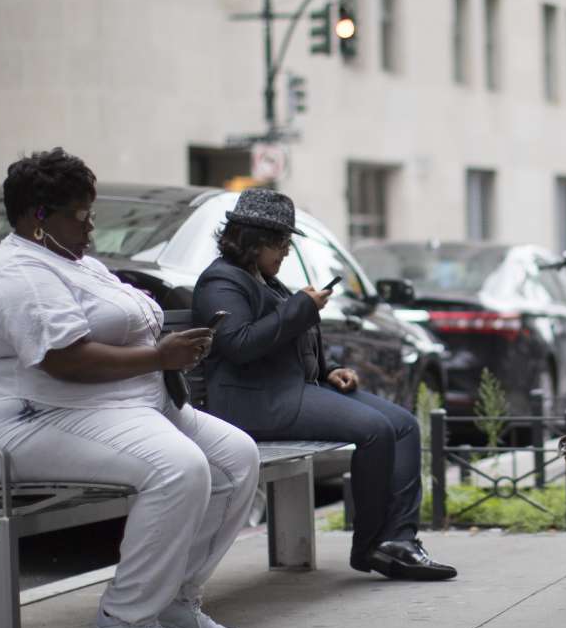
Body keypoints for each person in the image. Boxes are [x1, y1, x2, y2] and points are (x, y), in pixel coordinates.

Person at [0, 148, 259, 628]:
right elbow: (66, 361)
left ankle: (176, 599)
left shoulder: (74, 262)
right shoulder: (21, 273)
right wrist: (159, 359)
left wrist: (169, 352)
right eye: (80, 214)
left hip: (108, 404)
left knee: (236, 458)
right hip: (25, 419)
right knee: (179, 467)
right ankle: (127, 614)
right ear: (38, 217)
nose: (90, 225)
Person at [191, 188, 457, 581]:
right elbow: (239, 345)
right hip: (256, 403)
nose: (285, 252)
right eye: (280, 243)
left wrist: (330, 368)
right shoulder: (221, 281)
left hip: (290, 390)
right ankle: (371, 546)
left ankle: (399, 539)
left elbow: (288, 342)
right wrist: (301, 307)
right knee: (375, 431)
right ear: (253, 240)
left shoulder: (261, 277)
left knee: (403, 425)